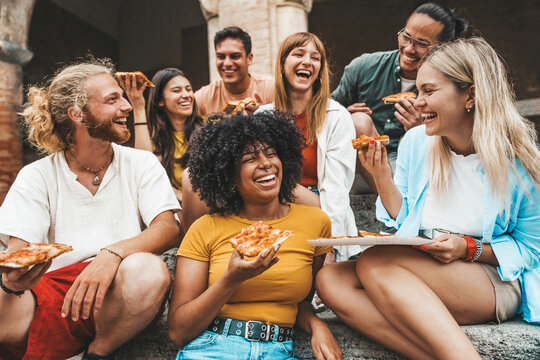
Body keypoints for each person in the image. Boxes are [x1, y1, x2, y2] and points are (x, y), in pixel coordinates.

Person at [317, 37, 540, 359]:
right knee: (331, 279)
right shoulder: (416, 143)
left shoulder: (520, 165)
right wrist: (381, 178)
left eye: (429, 91)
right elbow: (404, 220)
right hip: (421, 264)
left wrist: (469, 248)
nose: (417, 101)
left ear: (471, 95)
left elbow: (533, 250)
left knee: (377, 263)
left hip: (492, 279)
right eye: (417, 90)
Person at [0, 59, 181, 360]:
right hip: (49, 297)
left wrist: (111, 254)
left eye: (122, 97)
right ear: (78, 115)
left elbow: (168, 227)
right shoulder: (37, 175)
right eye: (113, 99)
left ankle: (96, 353)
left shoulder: (141, 163)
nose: (126, 106)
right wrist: (12, 282)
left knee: (149, 270)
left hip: (120, 290)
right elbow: (20, 251)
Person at [168, 112, 342, 360]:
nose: (266, 163)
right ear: (227, 173)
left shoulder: (316, 221)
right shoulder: (205, 228)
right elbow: (178, 331)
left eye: (271, 153)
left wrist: (317, 325)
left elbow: (300, 302)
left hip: (279, 350)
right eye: (250, 158)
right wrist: (231, 279)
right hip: (213, 347)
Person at [332, 2, 468, 193]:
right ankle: (392, 203)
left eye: (421, 44)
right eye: (406, 36)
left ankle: (396, 203)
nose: (409, 48)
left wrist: (421, 130)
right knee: (358, 121)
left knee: (412, 139)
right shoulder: (363, 68)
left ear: (443, 47)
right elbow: (322, 113)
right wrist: (341, 115)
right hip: (363, 169)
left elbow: (460, 140)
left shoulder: (450, 84)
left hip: (419, 171)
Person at [258, 32, 358, 261]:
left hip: (318, 206)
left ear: (320, 70)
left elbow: (336, 189)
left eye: (315, 58)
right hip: (270, 204)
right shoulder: (262, 116)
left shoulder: (337, 116)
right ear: (283, 64)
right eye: (298, 54)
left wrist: (330, 246)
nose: (307, 62)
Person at [118, 68, 204, 205]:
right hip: (174, 209)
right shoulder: (155, 140)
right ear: (160, 100)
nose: (186, 95)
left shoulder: (208, 130)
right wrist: (138, 107)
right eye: (177, 91)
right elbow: (142, 168)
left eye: (188, 89)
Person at [194, 26, 274, 116]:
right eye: (221, 57)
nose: (227, 63)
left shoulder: (271, 89)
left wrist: (264, 113)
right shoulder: (203, 98)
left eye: (235, 56)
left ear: (249, 58)